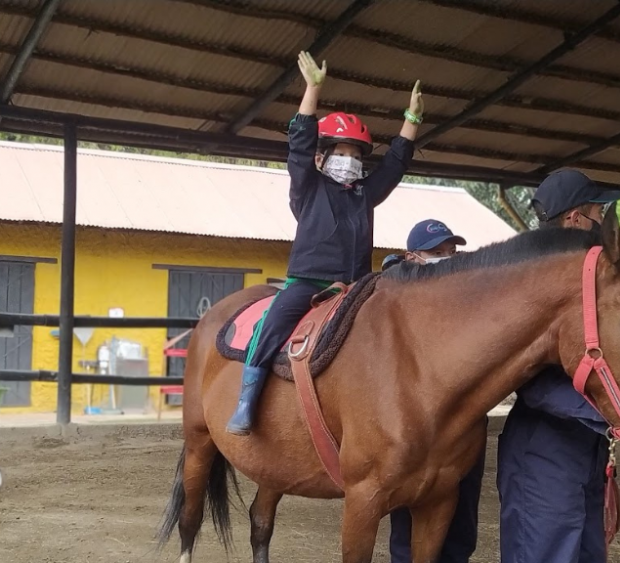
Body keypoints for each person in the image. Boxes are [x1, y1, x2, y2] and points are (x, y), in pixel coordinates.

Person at [227, 51, 425, 435]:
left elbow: (395, 165)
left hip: (357, 286)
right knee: (273, 323)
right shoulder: (308, 188)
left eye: (355, 155)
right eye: (342, 153)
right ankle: (246, 402)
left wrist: (411, 118)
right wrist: (312, 90)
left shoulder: (365, 194)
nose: (349, 161)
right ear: (323, 157)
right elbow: (299, 144)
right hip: (309, 283)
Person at [496, 169, 620, 563]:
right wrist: (605, 413)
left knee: (587, 551)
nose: (603, 221)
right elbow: (526, 374)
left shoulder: (584, 282)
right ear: (574, 219)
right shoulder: (530, 282)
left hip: (584, 448)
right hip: (544, 449)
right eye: (597, 212)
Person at [384, 220, 485, 563]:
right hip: (418, 427)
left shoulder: (469, 303)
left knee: (462, 519)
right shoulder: (396, 302)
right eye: (437, 253)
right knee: (409, 518)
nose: (448, 259)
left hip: (464, 425)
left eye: (452, 252)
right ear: (413, 257)